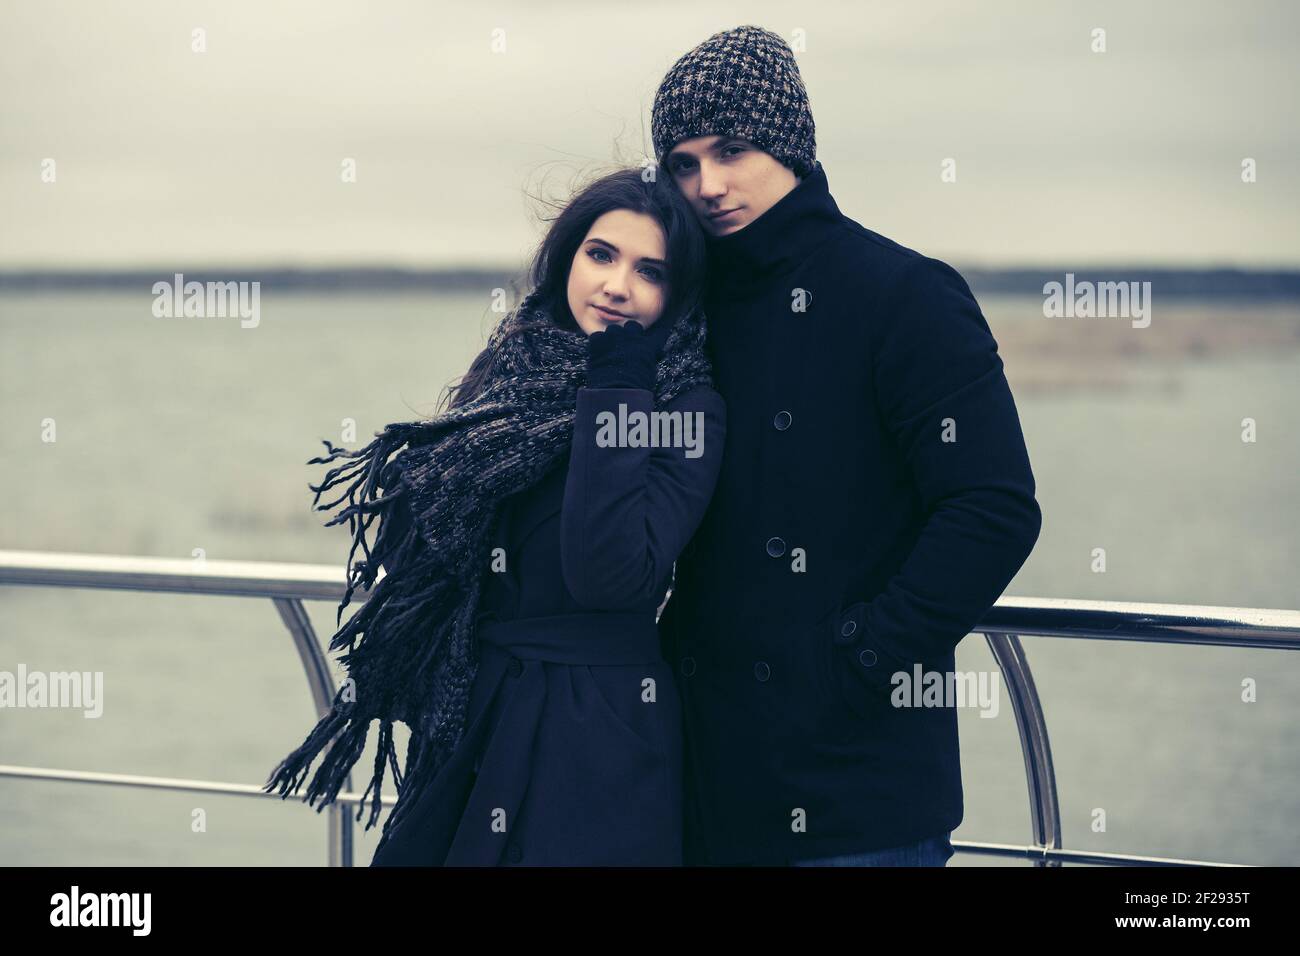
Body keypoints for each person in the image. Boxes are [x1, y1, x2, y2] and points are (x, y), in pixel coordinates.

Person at [650, 25, 1042, 867]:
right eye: (683, 163)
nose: (708, 185)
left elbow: (992, 508)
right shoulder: (685, 308)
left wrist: (859, 659)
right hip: (701, 783)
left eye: (732, 149)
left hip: (860, 793)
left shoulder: (903, 293)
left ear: (789, 142)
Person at [263, 167, 726, 866]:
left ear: (678, 292)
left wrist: (619, 381)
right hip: (473, 713)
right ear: (568, 256)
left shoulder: (684, 406)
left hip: (595, 727)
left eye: (649, 271)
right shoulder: (515, 364)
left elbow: (609, 574)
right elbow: (425, 533)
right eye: (600, 255)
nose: (616, 285)